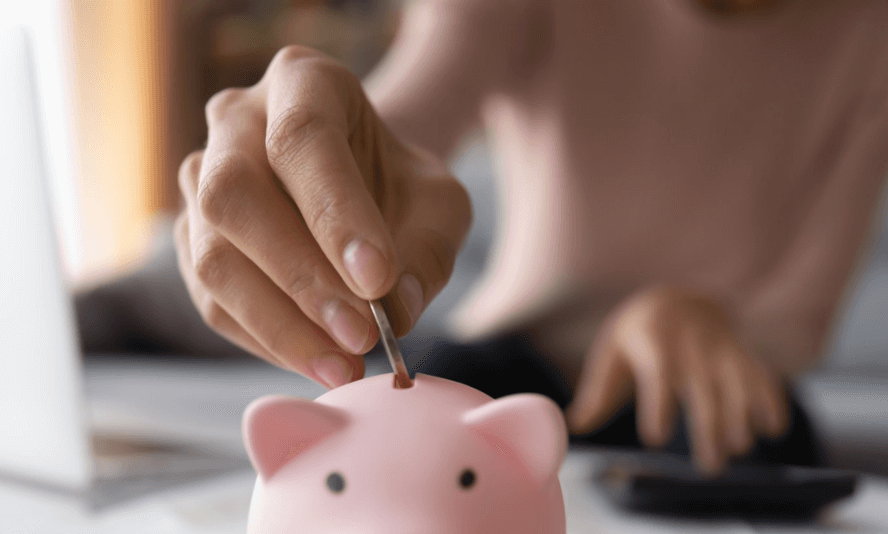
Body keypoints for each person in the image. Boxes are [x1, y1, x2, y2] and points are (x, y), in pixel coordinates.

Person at [168, 0, 888, 473]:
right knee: (412, 416)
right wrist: (306, 158)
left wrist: (693, 316)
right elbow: (400, 125)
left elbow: (801, 317)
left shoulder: (870, 37)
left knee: (764, 437)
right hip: (515, 361)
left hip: (705, 388)